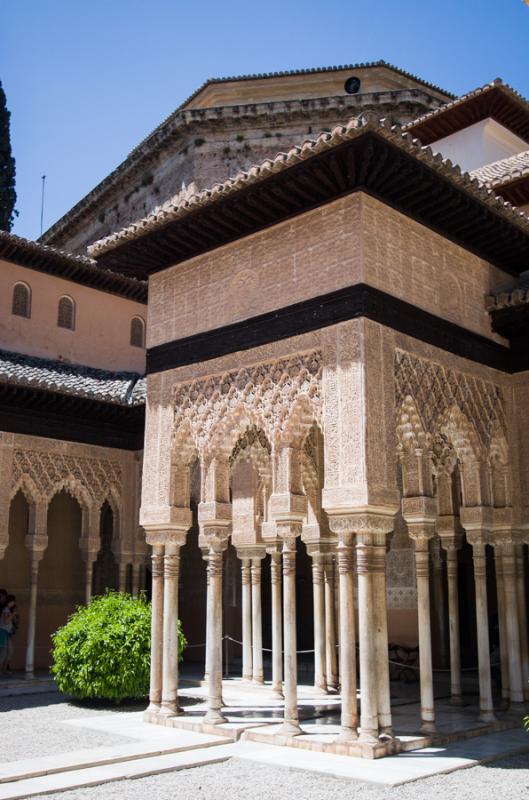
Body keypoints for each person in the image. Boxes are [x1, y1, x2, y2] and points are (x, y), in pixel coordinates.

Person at [0, 595, 16, 676]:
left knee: (9, 652)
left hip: (7, 633)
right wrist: (12, 615)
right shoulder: (6, 610)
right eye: (13, 601)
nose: (14, 603)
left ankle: (4, 669)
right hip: (3, 632)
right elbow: (6, 621)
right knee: (3, 652)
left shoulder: (8, 610)